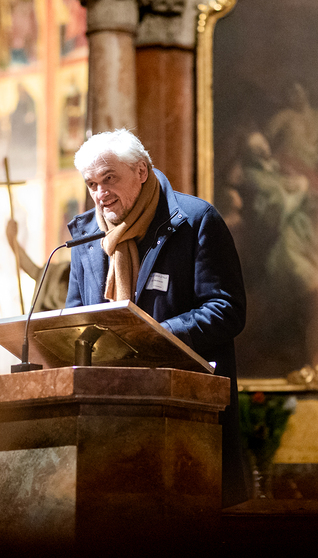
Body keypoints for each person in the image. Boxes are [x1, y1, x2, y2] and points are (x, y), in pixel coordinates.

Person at [65, 129, 249, 507]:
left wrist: (155, 335)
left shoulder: (195, 221)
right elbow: (75, 318)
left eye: (109, 178)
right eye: (92, 184)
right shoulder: (86, 236)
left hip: (184, 417)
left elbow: (226, 309)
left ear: (141, 171)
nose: (100, 194)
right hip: (106, 420)